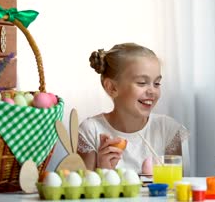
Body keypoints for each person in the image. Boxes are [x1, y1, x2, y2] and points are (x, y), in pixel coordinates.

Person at [77, 43, 188, 172]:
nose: (152, 91)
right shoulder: (91, 131)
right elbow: (83, 189)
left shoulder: (169, 130)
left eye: (157, 83)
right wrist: (104, 169)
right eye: (142, 83)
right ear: (112, 87)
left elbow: (181, 186)